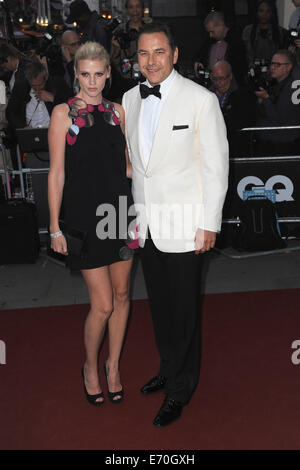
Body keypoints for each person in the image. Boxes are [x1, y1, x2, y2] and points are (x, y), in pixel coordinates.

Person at [122, 23, 229, 427]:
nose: (151, 61)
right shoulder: (130, 99)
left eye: (159, 52)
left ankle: (181, 390)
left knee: (185, 313)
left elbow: (217, 166)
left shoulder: (200, 100)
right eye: (144, 54)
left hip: (188, 225)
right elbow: (136, 163)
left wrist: (209, 223)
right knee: (162, 309)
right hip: (148, 223)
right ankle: (168, 369)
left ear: (175, 54)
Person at [48, 41, 134, 406]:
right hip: (85, 218)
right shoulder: (63, 113)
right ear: (76, 74)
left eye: (99, 74)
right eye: (85, 74)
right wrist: (54, 227)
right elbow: (56, 175)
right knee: (101, 304)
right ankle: (89, 365)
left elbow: (128, 166)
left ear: (109, 74)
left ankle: (113, 366)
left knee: (122, 296)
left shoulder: (119, 112)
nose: (93, 81)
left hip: (121, 213)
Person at [255, 49, 300, 153]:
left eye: (278, 64)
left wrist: (265, 99)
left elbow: (279, 118)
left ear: (288, 67)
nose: (273, 67)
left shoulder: (292, 87)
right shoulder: (275, 84)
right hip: (272, 140)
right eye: (272, 63)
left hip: (282, 143)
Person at [6, 61, 71, 130]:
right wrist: (22, 127)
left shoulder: (57, 83)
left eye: (40, 85)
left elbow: (72, 105)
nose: (37, 88)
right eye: (33, 86)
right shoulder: (21, 87)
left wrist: (53, 98)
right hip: (29, 132)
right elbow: (10, 113)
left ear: (45, 77)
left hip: (53, 131)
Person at [210, 60, 256, 155]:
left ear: (230, 76)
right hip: (212, 146)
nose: (218, 83)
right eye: (215, 79)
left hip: (235, 147)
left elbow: (245, 121)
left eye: (221, 78)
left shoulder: (243, 95)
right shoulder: (207, 93)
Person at [194, 11, 248, 86]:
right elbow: (199, 55)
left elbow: (241, 68)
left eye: (212, 31)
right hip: (211, 85)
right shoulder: (208, 42)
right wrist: (198, 61)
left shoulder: (236, 42)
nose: (210, 35)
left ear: (221, 26)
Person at [242, 1, 288, 67]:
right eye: (261, 11)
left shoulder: (281, 32)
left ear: (272, 13)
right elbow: (243, 53)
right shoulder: (248, 31)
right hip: (253, 70)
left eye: (268, 11)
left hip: (274, 70)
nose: (264, 14)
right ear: (257, 12)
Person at [111, 0, 144, 83]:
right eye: (131, 7)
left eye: (138, 6)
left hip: (147, 79)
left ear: (142, 9)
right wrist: (116, 50)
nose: (135, 11)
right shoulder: (119, 31)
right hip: (126, 80)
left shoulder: (150, 31)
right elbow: (114, 63)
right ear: (127, 10)